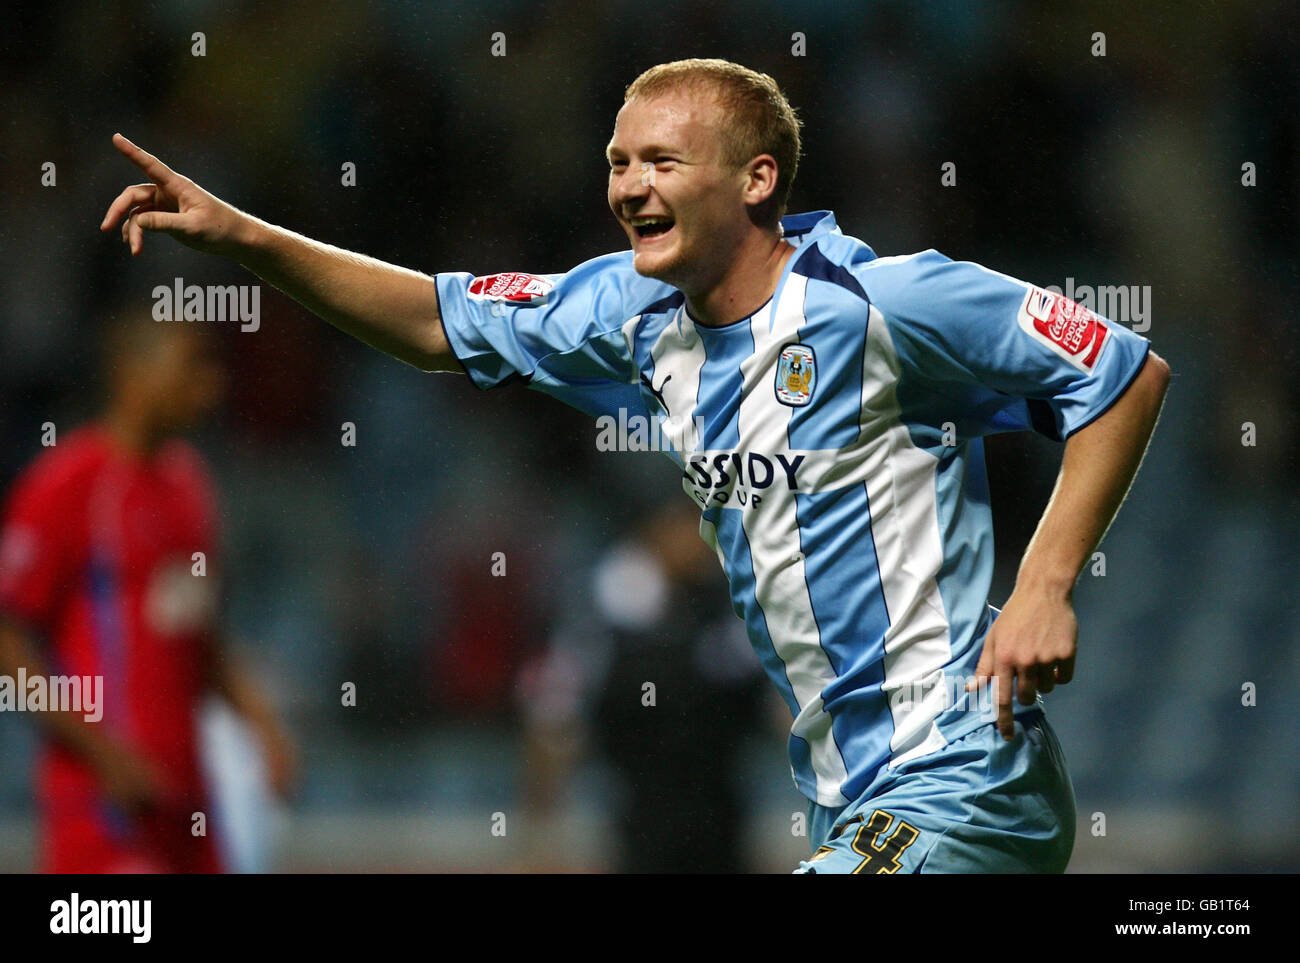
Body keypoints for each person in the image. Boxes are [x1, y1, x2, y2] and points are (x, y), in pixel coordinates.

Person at [99, 57, 1170, 873]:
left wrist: (1041, 587)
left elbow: (1123, 373)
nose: (628, 186)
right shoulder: (629, 312)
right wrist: (244, 238)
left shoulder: (887, 302)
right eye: (618, 161)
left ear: (757, 180)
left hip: (965, 780)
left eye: (661, 161)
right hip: (853, 797)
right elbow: (434, 319)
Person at [0, 315, 296, 872]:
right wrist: (104, 754)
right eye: (193, 370)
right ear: (132, 374)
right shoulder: (68, 483)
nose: (211, 387)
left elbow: (199, 636)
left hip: (187, 800)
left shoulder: (190, 484)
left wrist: (262, 726)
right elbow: (7, 640)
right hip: (104, 804)